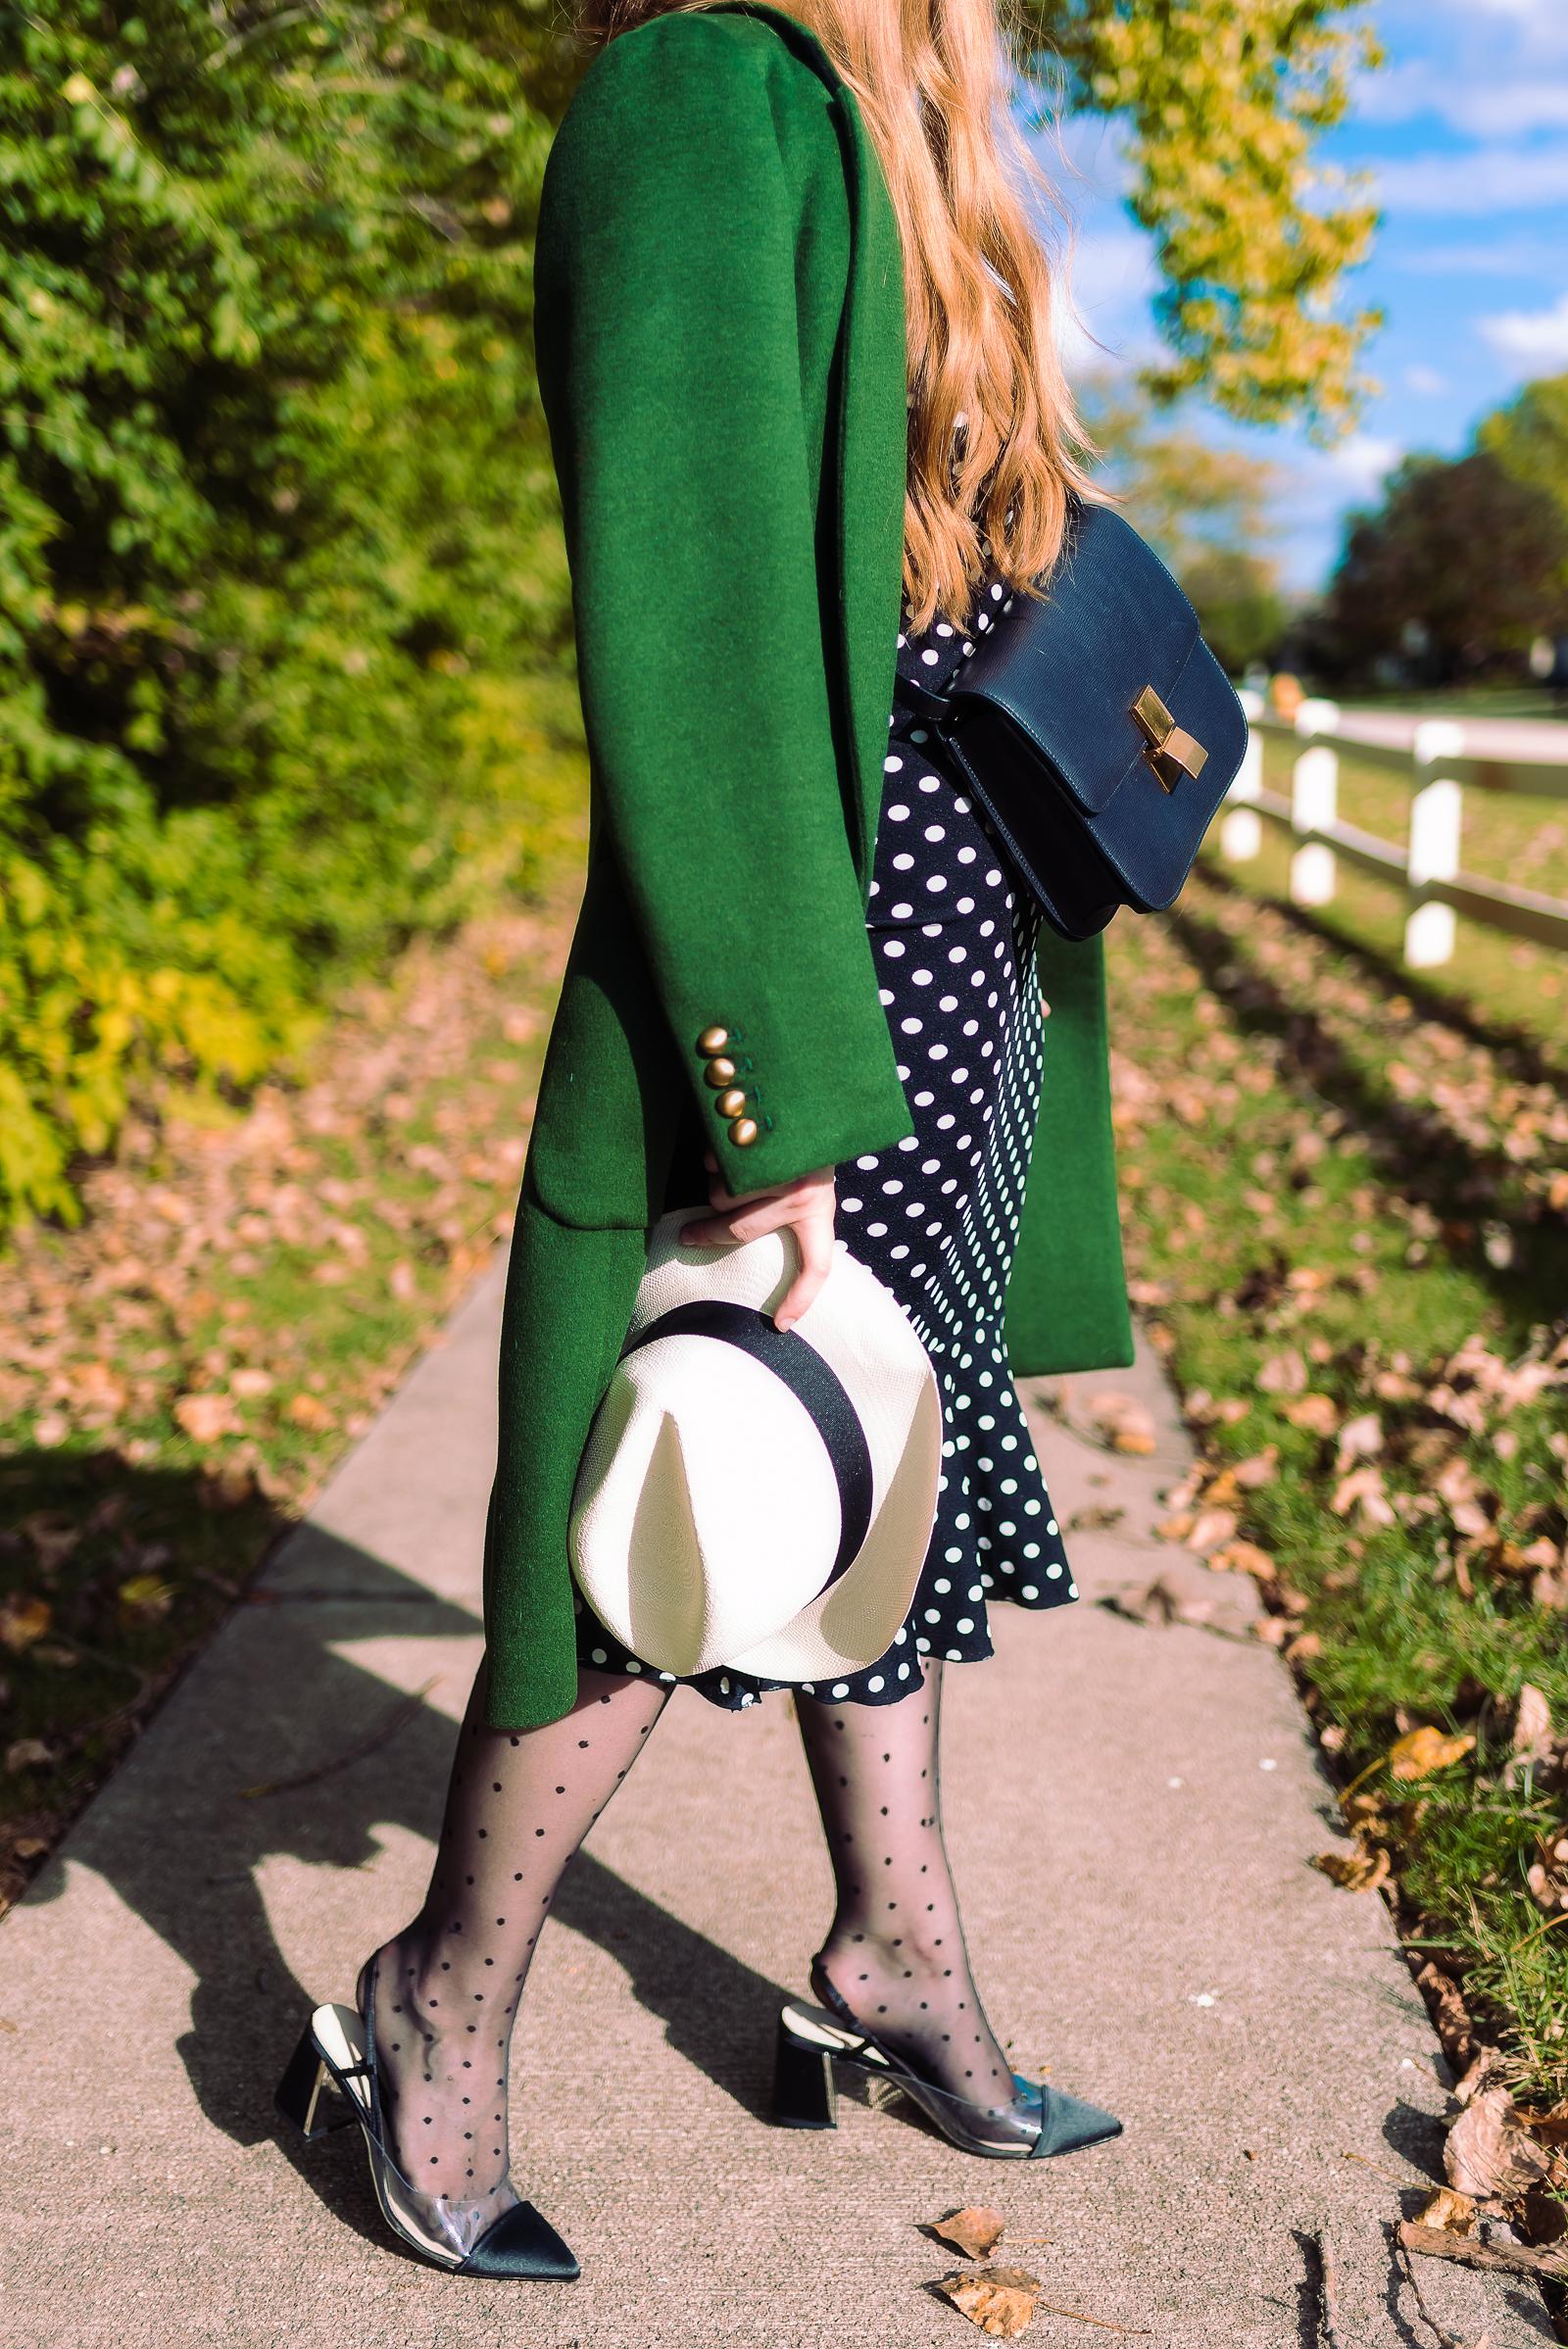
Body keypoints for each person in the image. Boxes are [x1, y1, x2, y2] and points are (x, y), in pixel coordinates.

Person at [275, 0, 1135, 2279]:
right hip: (793, 978)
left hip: (942, 971)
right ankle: (422, 2015)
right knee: (690, 1515)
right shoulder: (699, 93)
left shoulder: (905, 125)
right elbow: (693, 624)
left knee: (877, 1480)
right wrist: (780, 1109)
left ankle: (893, 1960)